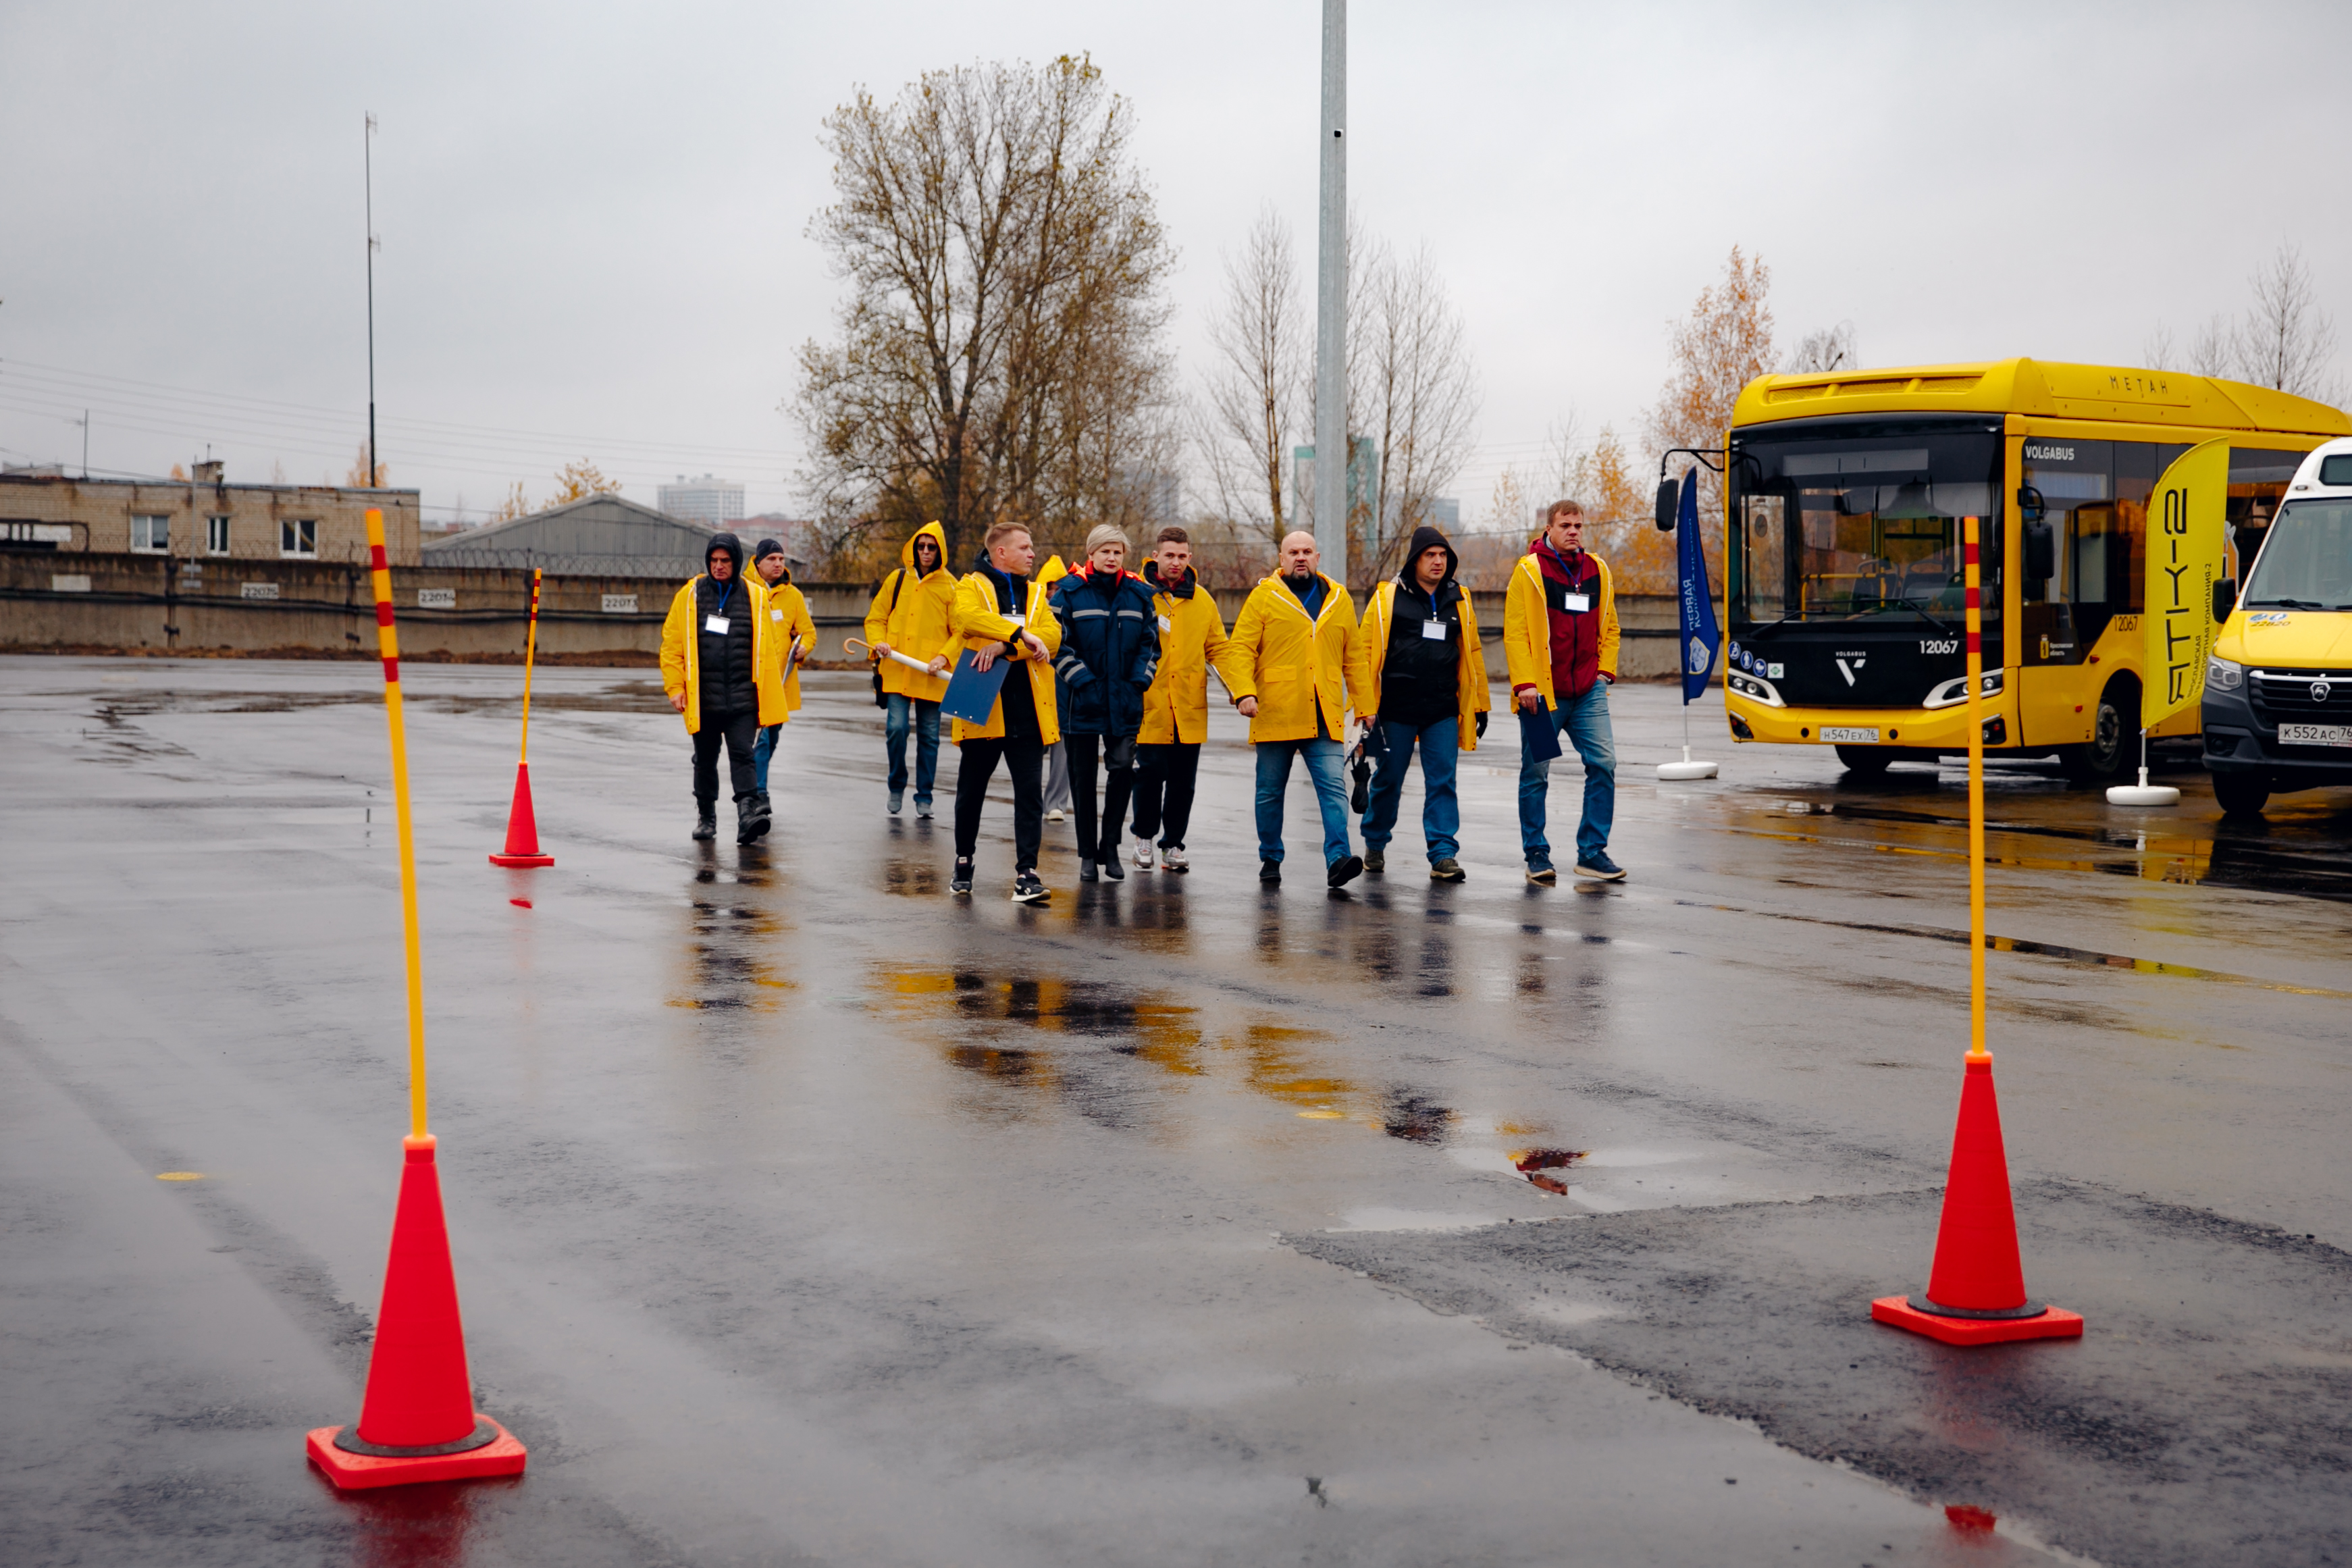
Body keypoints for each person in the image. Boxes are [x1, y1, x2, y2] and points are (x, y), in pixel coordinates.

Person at [1220, 530, 1369, 889]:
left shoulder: (1339, 598)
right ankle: (1271, 856)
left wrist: (1365, 707)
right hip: (1275, 710)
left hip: (1325, 712)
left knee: (1334, 788)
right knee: (1270, 791)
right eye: (1293, 552)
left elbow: (1355, 658)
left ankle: (1338, 860)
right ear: (1282, 559)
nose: (1300, 557)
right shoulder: (1264, 597)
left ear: (1318, 557)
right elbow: (1240, 650)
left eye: (1306, 552)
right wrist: (1244, 692)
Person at [1357, 525, 1490, 881]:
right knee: (1389, 779)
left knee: (1443, 781)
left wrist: (1480, 703)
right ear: (1415, 560)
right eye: (1430, 555)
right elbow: (1365, 650)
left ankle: (1443, 853)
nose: (1437, 562)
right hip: (1396, 708)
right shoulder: (1388, 597)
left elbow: (1472, 652)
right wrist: (1364, 706)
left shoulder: (1459, 597)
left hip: (1442, 709)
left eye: (1443, 555)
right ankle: (1375, 840)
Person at [1504, 498, 1623, 884]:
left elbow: (1612, 627)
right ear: (1549, 529)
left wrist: (1604, 673)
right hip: (1542, 694)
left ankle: (1592, 852)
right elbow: (1517, 633)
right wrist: (1525, 684)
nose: (1574, 531)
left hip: (1588, 690)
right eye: (1566, 525)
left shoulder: (1598, 570)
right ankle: (1536, 853)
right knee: (1536, 773)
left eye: (1579, 526)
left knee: (1603, 764)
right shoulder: (1530, 570)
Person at [943, 519, 1062, 902]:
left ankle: (1027, 873)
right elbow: (966, 620)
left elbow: (1052, 637)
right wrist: (1016, 633)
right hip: (982, 705)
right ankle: (964, 861)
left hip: (1029, 708)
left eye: (1031, 547)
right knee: (971, 791)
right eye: (1025, 547)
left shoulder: (1037, 592)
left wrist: (1006, 648)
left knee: (1030, 794)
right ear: (1001, 553)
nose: (1032, 554)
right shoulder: (970, 586)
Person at [660, 533, 789, 844]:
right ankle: (707, 817)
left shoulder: (756, 597)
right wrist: (676, 687)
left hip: (743, 697)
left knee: (743, 754)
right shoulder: (690, 595)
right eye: (714, 561)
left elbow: (767, 651)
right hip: (703, 698)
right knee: (704, 760)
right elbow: (672, 645)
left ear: (736, 562)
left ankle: (748, 815)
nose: (718, 566)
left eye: (725, 561)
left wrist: (767, 698)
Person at [1049, 524, 1159, 883]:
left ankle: (1110, 848)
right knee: (1082, 780)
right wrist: (1080, 679)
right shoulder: (1068, 593)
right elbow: (1056, 645)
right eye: (1105, 552)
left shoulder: (1140, 595)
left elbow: (1151, 644)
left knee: (1124, 770)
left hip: (1125, 700)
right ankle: (1087, 855)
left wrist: (1141, 678)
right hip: (1080, 701)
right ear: (1091, 554)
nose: (1111, 558)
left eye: (1117, 552)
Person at [1130, 525, 1227, 873]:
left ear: (1190, 557)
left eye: (1182, 556)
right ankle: (1143, 837)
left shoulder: (1202, 600)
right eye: (1169, 555)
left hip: (1188, 705)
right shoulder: (1138, 595)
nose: (1176, 562)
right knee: (1149, 773)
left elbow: (1219, 649)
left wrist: (1240, 689)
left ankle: (1173, 844)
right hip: (1149, 702)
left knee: (1183, 781)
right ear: (1155, 556)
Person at [862, 521, 955, 816]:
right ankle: (896, 784)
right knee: (896, 728)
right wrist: (878, 643)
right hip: (898, 668)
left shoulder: (951, 586)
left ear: (940, 550)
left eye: (931, 546)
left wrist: (944, 656)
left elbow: (960, 631)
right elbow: (876, 618)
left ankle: (924, 795)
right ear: (914, 549)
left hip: (931, 672)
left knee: (929, 735)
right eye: (921, 546)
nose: (925, 551)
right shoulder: (897, 579)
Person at [750, 539, 817, 824]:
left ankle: (755, 781)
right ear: (758, 562)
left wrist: (804, 649)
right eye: (772, 559)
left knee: (771, 738)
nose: (778, 564)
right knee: (763, 738)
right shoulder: (746, 591)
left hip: (782, 681)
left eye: (781, 558)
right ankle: (759, 793)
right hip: (752, 680)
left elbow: (808, 632)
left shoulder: (793, 596)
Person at [1035, 553, 1074, 823]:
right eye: (1050, 586)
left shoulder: (1073, 610)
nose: (1054, 592)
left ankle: (1057, 803)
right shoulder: (1031, 611)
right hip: (1036, 689)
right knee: (1033, 749)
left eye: (1059, 587)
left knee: (1062, 750)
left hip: (1063, 688)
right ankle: (1033, 800)